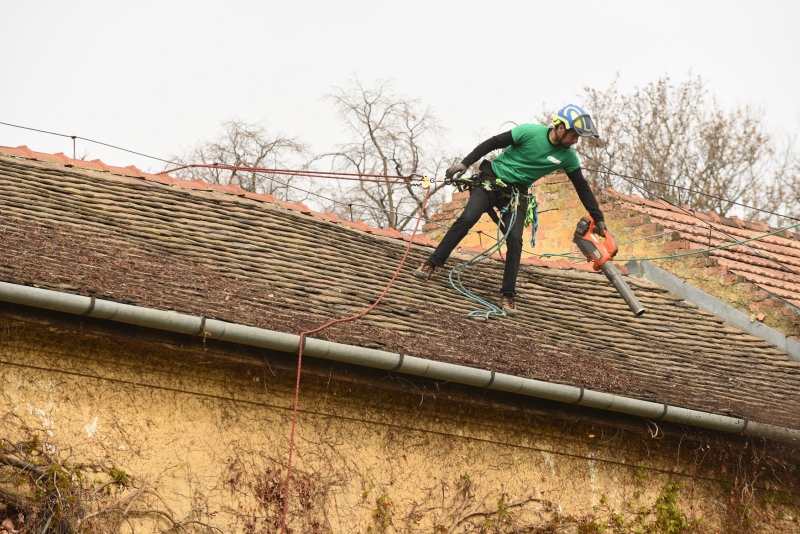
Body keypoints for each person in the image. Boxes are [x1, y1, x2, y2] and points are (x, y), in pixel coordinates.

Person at [412, 104, 608, 317]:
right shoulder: (529, 132)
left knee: (515, 239)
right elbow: (493, 142)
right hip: (491, 182)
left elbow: (582, 187)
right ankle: (431, 263)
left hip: (516, 194)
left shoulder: (568, 157)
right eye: (574, 135)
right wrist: (465, 163)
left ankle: (508, 294)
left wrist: (598, 218)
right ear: (560, 127)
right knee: (468, 217)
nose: (575, 141)